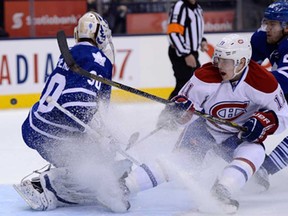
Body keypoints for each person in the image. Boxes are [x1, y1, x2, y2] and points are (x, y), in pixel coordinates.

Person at [123, 34, 288, 213]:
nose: (218, 64)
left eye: (225, 61)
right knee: (182, 162)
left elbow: (283, 117)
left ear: (241, 63)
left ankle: (222, 191)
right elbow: (184, 110)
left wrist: (264, 122)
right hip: (205, 130)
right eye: (218, 58)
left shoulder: (264, 83)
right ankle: (126, 184)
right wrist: (179, 111)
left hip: (238, 136)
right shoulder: (205, 76)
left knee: (256, 151)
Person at [13, 12, 131, 213]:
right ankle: (51, 186)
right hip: (57, 134)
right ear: (100, 35)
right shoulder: (100, 60)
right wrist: (101, 138)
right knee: (98, 158)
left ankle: (55, 177)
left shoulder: (71, 53)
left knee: (82, 151)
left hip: (33, 127)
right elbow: (77, 106)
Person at [248, 0, 288, 189]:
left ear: (286, 27)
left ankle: (265, 168)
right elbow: (245, 67)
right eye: (266, 22)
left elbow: (285, 79)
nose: (267, 28)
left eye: (272, 24)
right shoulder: (261, 38)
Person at [157, 0, 207, 128]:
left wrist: (202, 41)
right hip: (180, 53)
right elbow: (173, 33)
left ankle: (178, 117)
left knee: (196, 83)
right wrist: (186, 54)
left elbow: (195, 28)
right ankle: (166, 119)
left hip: (191, 53)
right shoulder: (180, 6)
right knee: (183, 85)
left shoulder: (197, 8)